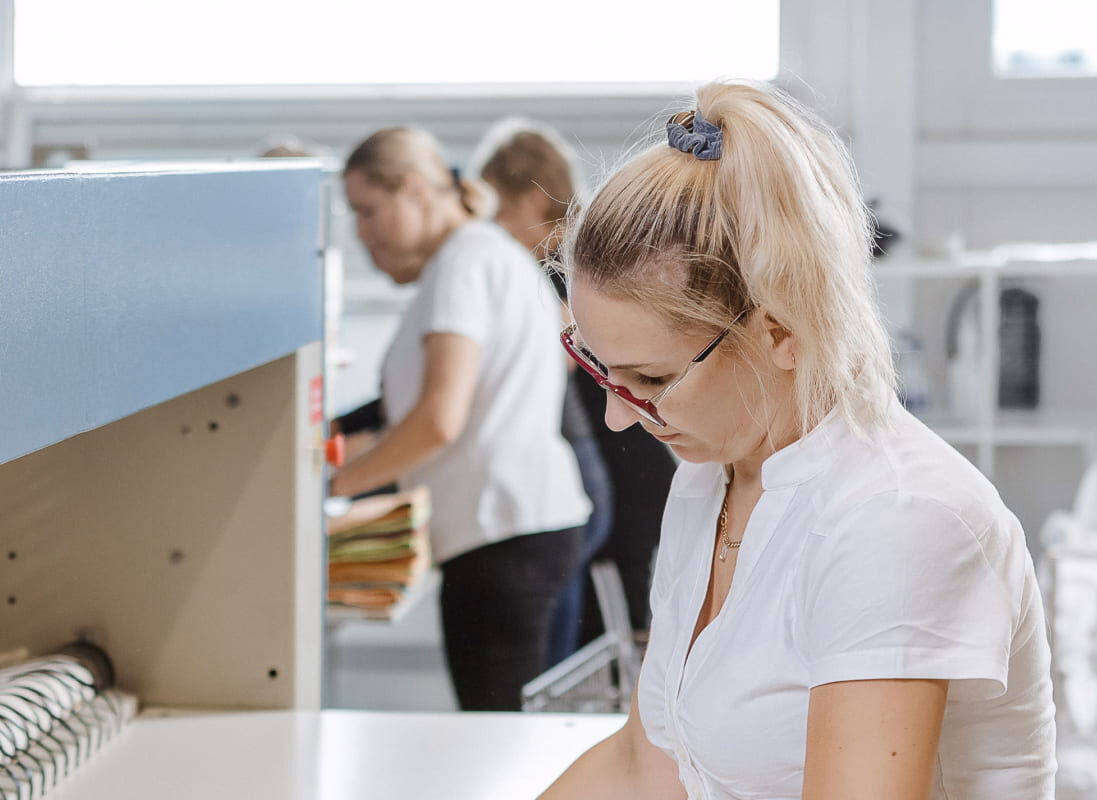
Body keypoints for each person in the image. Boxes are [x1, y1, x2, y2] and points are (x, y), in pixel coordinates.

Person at [539, 80, 1056, 799]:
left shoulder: (895, 523)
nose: (618, 417)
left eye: (650, 378)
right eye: (597, 366)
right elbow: (647, 765)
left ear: (779, 329)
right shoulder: (712, 474)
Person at [329, 126, 591, 711]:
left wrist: (333, 488)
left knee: (496, 745)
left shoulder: (462, 264)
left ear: (416, 190)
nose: (362, 234)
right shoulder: (491, 252)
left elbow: (438, 420)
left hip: (501, 541)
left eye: (368, 210)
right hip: (527, 529)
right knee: (519, 741)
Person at [474, 119, 614, 665]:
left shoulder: (563, 271)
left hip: (602, 465)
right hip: (601, 465)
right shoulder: (574, 260)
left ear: (533, 201)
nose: (492, 231)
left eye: (498, 213)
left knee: (563, 659)